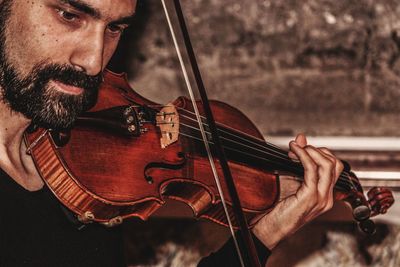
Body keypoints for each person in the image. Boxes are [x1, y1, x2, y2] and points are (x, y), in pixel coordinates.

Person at [0, 0, 344, 266]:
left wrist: (263, 234)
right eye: (69, 15)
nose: (93, 60)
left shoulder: (91, 167)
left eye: (115, 28)